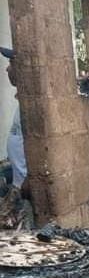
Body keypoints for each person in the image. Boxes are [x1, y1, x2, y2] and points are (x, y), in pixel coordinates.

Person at [1, 46, 31, 228]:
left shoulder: (33, 103)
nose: (7, 69)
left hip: (25, 185)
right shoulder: (23, 100)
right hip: (19, 181)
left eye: (11, 63)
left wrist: (29, 178)